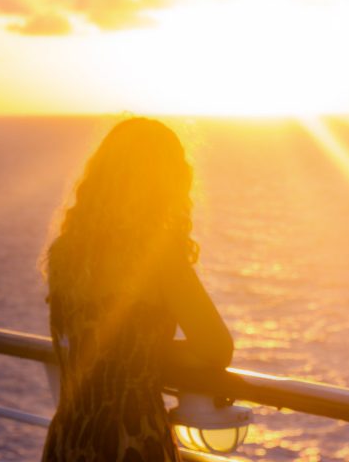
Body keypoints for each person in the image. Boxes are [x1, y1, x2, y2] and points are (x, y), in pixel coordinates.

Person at [41, 117, 233, 462]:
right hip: (129, 441)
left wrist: (121, 351)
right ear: (166, 182)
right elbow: (217, 348)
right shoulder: (157, 260)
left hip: (70, 436)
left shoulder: (63, 254)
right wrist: (146, 354)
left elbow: (83, 341)